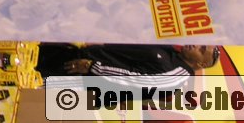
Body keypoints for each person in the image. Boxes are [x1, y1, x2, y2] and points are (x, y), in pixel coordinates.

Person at [36, 43, 219, 78]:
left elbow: (134, 79)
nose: (196, 45)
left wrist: (93, 67)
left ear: (201, 64)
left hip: (79, 75)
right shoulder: (172, 52)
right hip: (78, 56)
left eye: (202, 49)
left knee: (26, 82)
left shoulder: (176, 75)